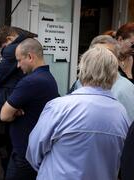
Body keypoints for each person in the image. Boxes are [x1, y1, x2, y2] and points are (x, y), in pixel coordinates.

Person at [26, 45, 130, 180]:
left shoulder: (59, 107)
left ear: (82, 70)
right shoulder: (121, 113)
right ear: (114, 74)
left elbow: (34, 152)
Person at [0, 38, 59, 179]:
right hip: (35, 151)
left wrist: (13, 112)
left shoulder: (30, 82)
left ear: (30, 57)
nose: (18, 66)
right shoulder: (49, 78)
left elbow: (4, 115)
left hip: (24, 154)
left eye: (20, 60)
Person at [0, 25, 37, 177]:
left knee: (5, 148)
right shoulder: (30, 44)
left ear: (9, 39)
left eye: (1, 46)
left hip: (9, 103)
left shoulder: (11, 50)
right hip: (22, 104)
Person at [69, 35, 134, 124]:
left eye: (108, 52)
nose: (101, 56)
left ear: (116, 58)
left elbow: (130, 124)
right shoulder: (79, 82)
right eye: (96, 52)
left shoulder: (125, 87)